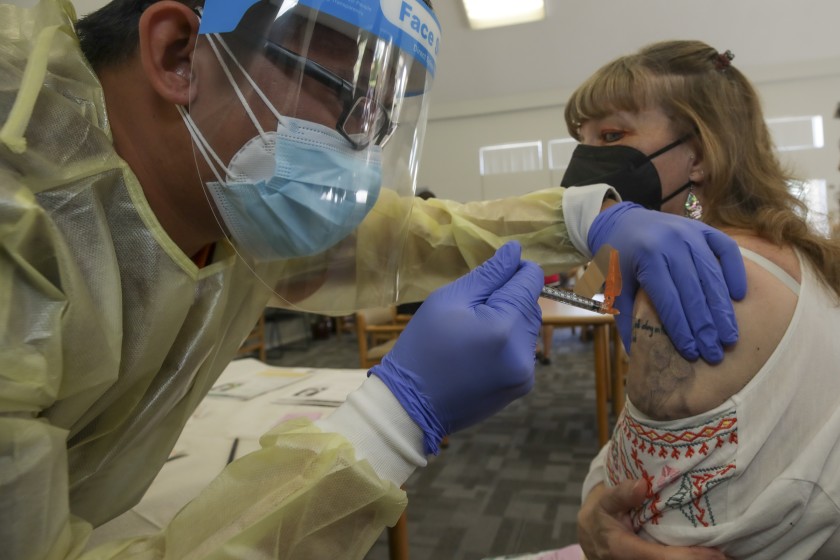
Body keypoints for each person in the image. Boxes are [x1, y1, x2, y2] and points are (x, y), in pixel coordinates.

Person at [0, 0, 749, 557]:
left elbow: (406, 237)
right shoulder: (17, 240)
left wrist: (585, 217)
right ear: (176, 52)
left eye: (381, 114)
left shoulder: (223, 201)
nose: (360, 146)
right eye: (339, 90)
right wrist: (389, 422)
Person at [561, 41, 840, 559]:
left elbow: (634, 513)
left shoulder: (694, 281)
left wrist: (590, 508)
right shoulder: (794, 254)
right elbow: (584, 293)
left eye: (613, 135)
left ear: (701, 155)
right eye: (582, 139)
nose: (586, 158)